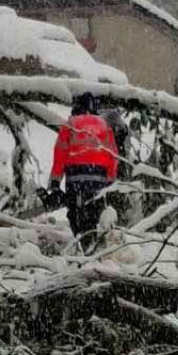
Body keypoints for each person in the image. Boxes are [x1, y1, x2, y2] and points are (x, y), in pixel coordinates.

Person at [46, 93, 119, 251]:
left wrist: (55, 182)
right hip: (98, 178)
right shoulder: (103, 125)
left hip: (76, 177)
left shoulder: (71, 123)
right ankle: (91, 244)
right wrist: (110, 181)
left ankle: (80, 243)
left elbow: (60, 154)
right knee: (93, 213)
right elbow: (112, 155)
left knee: (76, 212)